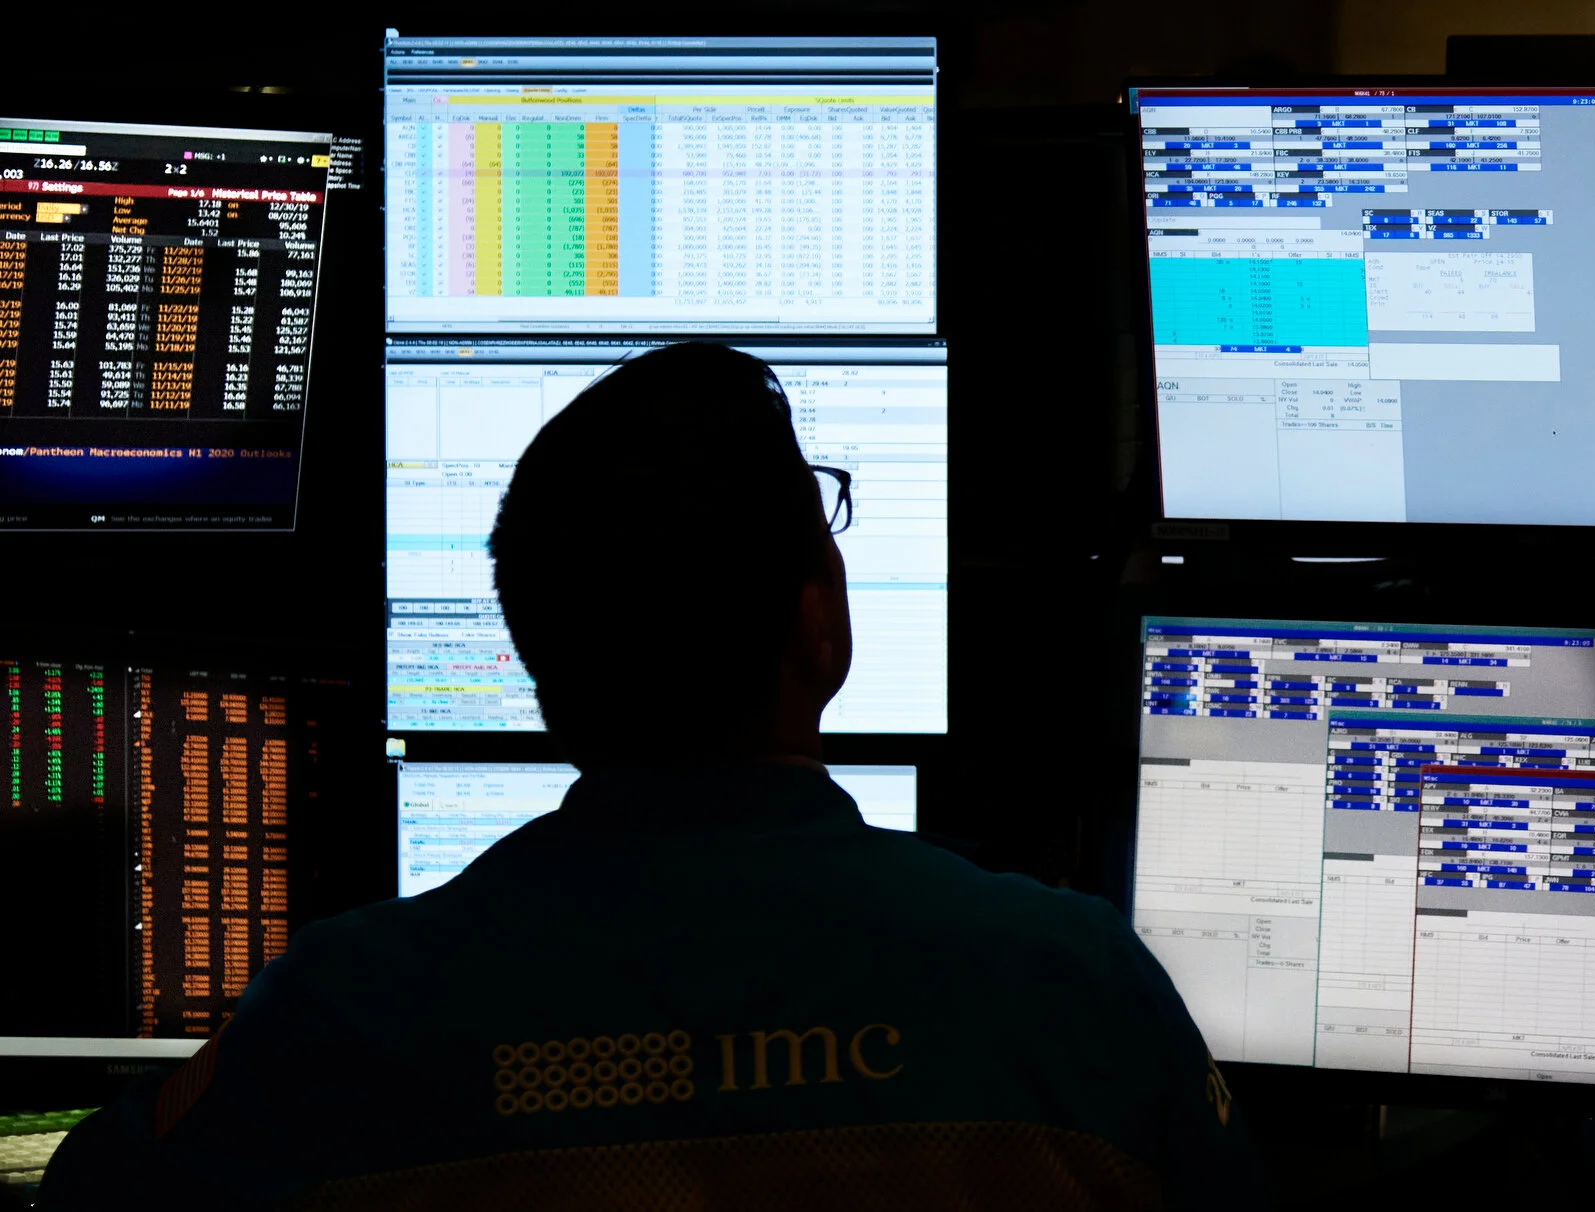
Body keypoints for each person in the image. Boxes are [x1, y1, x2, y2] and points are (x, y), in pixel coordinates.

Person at [38, 342, 1254, 1209]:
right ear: (818, 630)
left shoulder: (342, 1015)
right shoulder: (1074, 989)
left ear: (533, 661)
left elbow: (91, 1190)